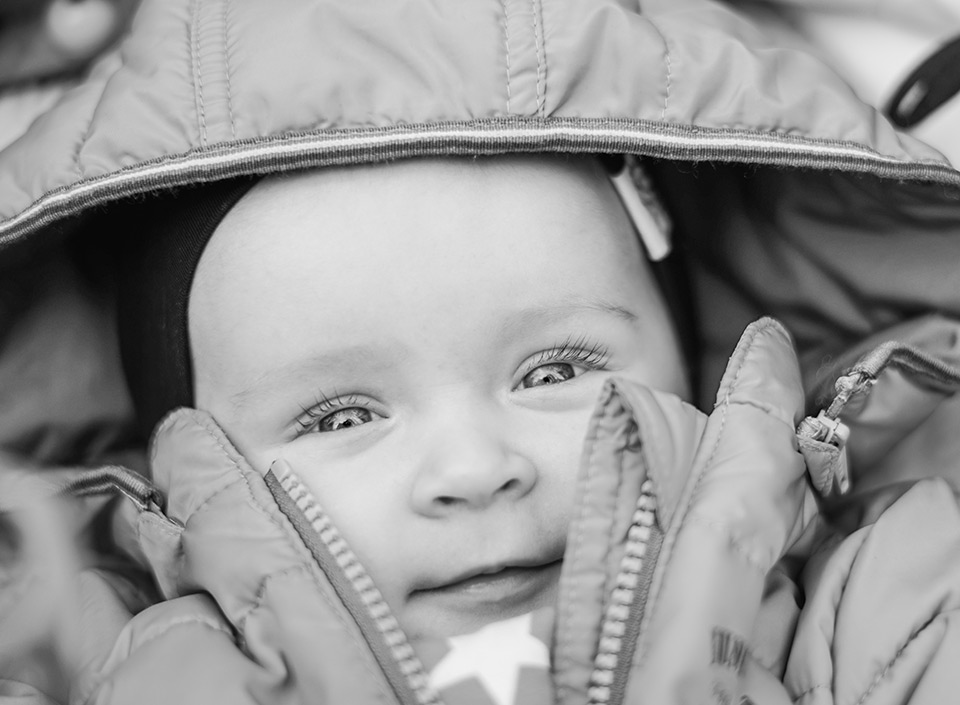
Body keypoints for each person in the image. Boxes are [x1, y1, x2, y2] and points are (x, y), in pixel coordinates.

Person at [2, 1, 960, 704]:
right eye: (342, 416)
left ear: (691, 362)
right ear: (184, 472)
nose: (474, 469)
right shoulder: (76, 659)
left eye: (555, 372)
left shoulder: (884, 598)